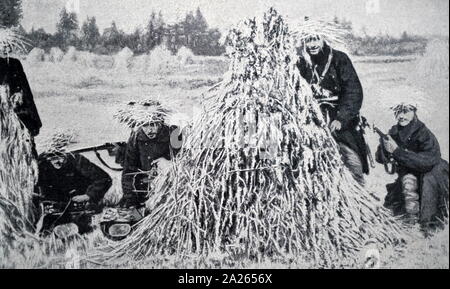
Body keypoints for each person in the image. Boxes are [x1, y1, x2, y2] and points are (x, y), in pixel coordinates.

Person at [296, 21, 369, 185]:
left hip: (339, 117)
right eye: (308, 40)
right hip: (311, 118)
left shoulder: (339, 59)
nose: (312, 44)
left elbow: (353, 92)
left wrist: (341, 119)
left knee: (352, 159)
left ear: (324, 39)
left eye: (316, 39)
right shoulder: (300, 63)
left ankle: (358, 191)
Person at [376, 103, 449, 232]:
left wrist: (397, 152)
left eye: (406, 111)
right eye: (398, 112)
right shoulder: (394, 131)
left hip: (433, 174)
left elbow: (429, 160)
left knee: (428, 194)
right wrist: (385, 148)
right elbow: (380, 158)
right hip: (411, 175)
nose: (401, 116)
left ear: (414, 111)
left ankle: (427, 227)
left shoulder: (423, 133)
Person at [35, 133, 112, 233]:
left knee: (86, 229)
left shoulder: (77, 160)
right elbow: (37, 185)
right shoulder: (41, 164)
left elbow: (104, 178)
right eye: (52, 158)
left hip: (81, 200)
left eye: (61, 157)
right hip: (57, 203)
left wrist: (88, 195)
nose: (57, 161)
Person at [117, 100, 181, 208]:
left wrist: (170, 164)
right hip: (143, 191)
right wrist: (131, 200)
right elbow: (128, 171)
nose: (149, 130)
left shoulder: (174, 133)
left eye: (153, 124)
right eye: (145, 125)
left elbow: (185, 163)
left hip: (169, 190)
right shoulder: (136, 136)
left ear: (161, 121)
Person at [1, 29, 42, 144]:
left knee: (23, 145)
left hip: (18, 111)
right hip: (3, 114)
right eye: (3, 46)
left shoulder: (15, 64)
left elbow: (26, 90)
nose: (7, 49)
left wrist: (19, 95)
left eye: (9, 46)